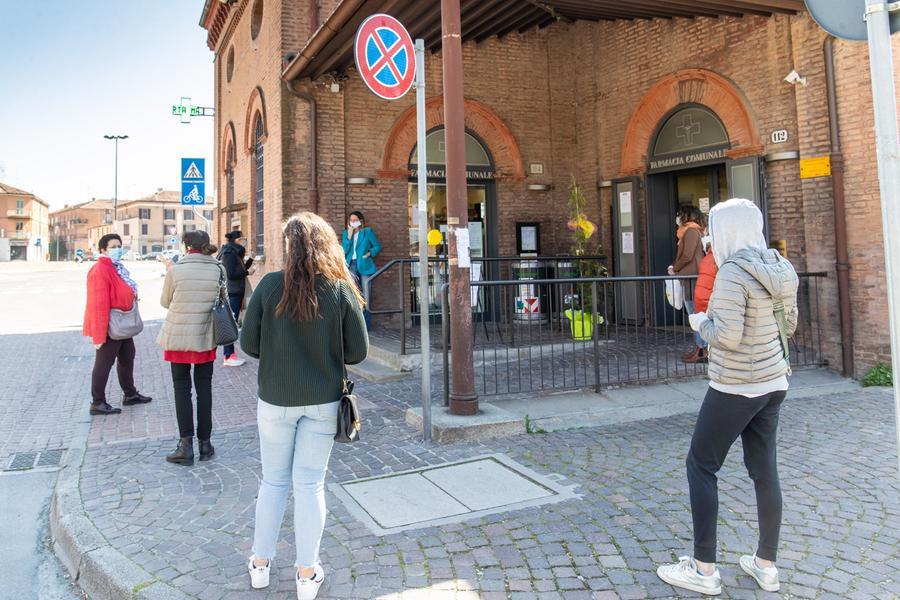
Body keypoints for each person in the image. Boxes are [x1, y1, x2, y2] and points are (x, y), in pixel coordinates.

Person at [657, 198, 799, 596]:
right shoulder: (780, 266)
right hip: (774, 381)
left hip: (736, 383)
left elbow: (728, 336)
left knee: (701, 465)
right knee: (764, 469)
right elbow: (789, 324)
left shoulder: (733, 272)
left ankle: (704, 570)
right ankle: (766, 565)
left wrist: (701, 322)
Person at [242, 212, 368, 600]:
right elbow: (358, 352)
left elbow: (248, 344)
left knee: (273, 481)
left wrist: (279, 351)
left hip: (275, 399)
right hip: (323, 400)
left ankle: (260, 564)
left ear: (289, 246)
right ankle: (306, 573)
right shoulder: (339, 288)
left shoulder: (268, 285)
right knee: (310, 483)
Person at [157, 231, 222, 465]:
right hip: (205, 335)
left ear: (186, 247)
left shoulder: (175, 270)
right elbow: (222, 301)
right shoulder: (218, 269)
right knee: (204, 389)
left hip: (178, 335)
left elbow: (165, 302)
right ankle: (205, 443)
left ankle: (185, 446)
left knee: (181, 389)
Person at [83, 233, 152, 415]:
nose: (118, 249)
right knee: (104, 363)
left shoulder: (116, 268)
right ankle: (97, 402)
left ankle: (130, 394)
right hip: (111, 324)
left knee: (127, 356)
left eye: (119, 246)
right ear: (103, 250)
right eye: (113, 247)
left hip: (122, 322)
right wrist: (99, 335)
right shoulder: (100, 270)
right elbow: (98, 303)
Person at [668, 206, 706, 363]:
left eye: (680, 214)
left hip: (692, 277)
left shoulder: (690, 231)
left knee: (694, 314)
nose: (678, 217)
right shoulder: (693, 231)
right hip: (691, 276)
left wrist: (674, 268)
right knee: (695, 313)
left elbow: (687, 256)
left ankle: (702, 349)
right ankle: (700, 348)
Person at [219, 230, 254, 366]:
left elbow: (239, 269)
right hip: (232, 292)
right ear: (237, 240)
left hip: (236, 291)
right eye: (242, 239)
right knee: (230, 323)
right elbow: (231, 274)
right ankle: (228, 356)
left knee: (232, 322)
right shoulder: (229, 253)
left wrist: (250, 260)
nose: (244, 241)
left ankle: (230, 355)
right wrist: (247, 272)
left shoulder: (234, 252)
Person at [341, 211, 381, 329]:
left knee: (366, 294)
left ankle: (366, 325)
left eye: (355, 220)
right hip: (351, 265)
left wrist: (369, 253)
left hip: (364, 264)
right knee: (354, 294)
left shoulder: (367, 232)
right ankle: (356, 324)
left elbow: (377, 246)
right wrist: (349, 236)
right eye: (351, 220)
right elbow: (344, 251)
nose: (353, 222)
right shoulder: (346, 233)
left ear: (360, 221)